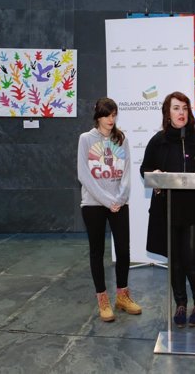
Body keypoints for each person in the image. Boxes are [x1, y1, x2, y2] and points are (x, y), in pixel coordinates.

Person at [140, 91, 195, 328]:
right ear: (167, 113)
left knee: (192, 259)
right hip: (166, 212)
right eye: (176, 108)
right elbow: (145, 168)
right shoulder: (158, 140)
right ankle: (180, 304)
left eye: (185, 108)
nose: (181, 113)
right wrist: (154, 176)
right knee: (174, 260)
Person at [77, 98, 141, 322]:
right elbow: (83, 174)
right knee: (97, 251)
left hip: (119, 204)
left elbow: (126, 172)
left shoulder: (120, 139)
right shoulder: (86, 139)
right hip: (94, 204)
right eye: (107, 115)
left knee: (124, 250)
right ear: (98, 117)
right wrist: (107, 200)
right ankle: (102, 299)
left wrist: (120, 198)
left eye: (114, 115)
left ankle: (122, 296)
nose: (111, 120)